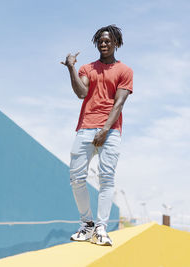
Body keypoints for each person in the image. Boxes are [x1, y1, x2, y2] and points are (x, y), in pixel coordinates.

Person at [60, 25, 133, 246]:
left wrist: (104, 130)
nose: (103, 44)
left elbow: (119, 103)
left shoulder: (125, 71)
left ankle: (101, 227)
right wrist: (71, 68)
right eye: (100, 41)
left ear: (116, 43)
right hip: (85, 127)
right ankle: (87, 224)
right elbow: (82, 93)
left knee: (106, 178)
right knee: (76, 178)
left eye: (108, 41)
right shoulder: (87, 68)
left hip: (110, 131)